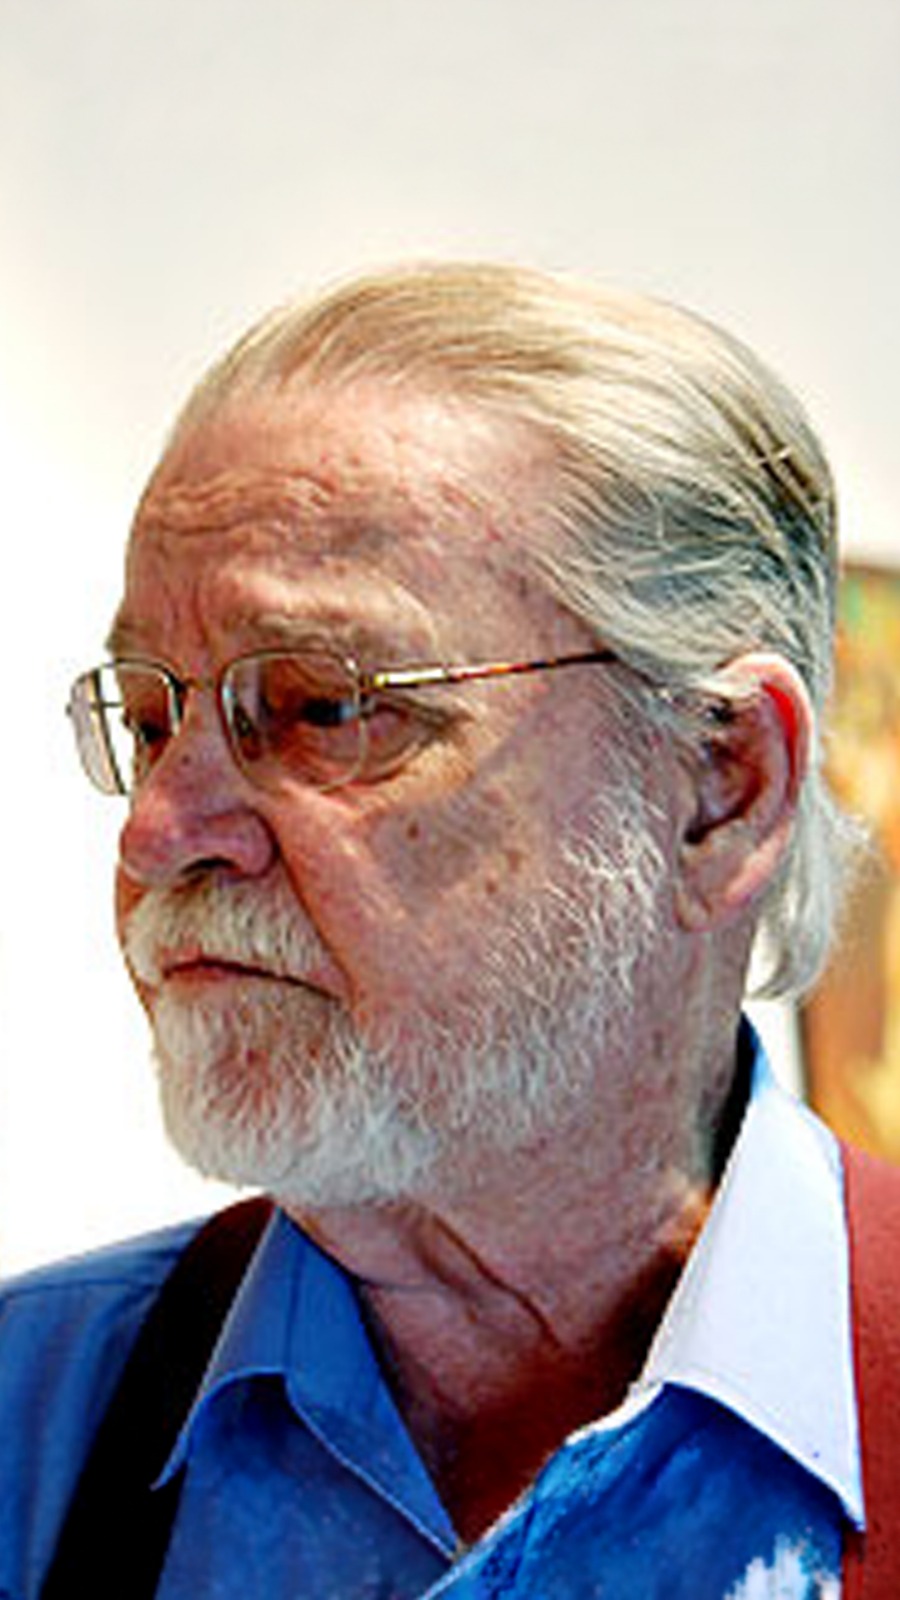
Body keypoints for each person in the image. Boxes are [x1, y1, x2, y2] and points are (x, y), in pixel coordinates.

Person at [1, 261, 897, 1599]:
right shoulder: (32, 1427)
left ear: (720, 788)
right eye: (149, 721)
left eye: (322, 709)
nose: (159, 832)